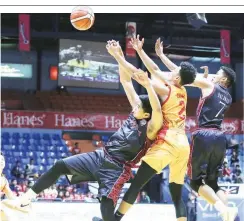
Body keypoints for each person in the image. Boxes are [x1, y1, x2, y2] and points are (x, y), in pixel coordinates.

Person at [3, 44, 163, 221]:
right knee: (60, 165)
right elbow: (126, 81)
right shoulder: (136, 113)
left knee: (106, 206)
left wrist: (148, 85)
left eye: (139, 106)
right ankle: (25, 199)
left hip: (118, 168)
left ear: (147, 114)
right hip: (101, 156)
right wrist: (118, 56)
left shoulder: (151, 127)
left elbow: (156, 108)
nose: (135, 106)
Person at [111, 35, 196, 221]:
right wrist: (144, 51)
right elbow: (156, 68)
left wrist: (119, 57)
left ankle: (114, 219)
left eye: (175, 70)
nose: (172, 70)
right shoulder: (183, 90)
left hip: (169, 141)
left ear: (177, 76)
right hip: (183, 144)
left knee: (136, 185)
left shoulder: (168, 89)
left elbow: (141, 74)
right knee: (176, 195)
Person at [154, 37, 238, 221]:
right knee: (213, 184)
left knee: (194, 183)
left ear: (223, 79)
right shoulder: (229, 98)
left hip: (204, 135)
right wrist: (205, 79)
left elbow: (180, 74)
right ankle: (230, 212)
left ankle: (223, 211)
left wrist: (160, 55)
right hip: (219, 138)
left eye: (219, 72)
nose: (215, 73)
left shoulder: (210, 85)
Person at [0, 153, 32, 221]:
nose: (1, 161)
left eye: (2, 159)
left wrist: (22, 202)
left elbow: (12, 197)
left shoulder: (4, 180)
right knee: (5, 203)